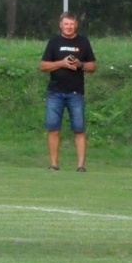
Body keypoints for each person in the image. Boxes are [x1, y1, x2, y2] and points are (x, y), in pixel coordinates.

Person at [40, 12, 96, 172]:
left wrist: (80, 65)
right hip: (55, 93)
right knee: (53, 128)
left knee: (79, 129)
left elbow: (92, 66)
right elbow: (43, 66)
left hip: (76, 93)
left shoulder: (83, 42)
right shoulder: (54, 42)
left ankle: (80, 166)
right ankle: (54, 164)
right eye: (66, 24)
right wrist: (62, 63)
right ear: (60, 25)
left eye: (71, 24)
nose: (69, 27)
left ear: (76, 25)